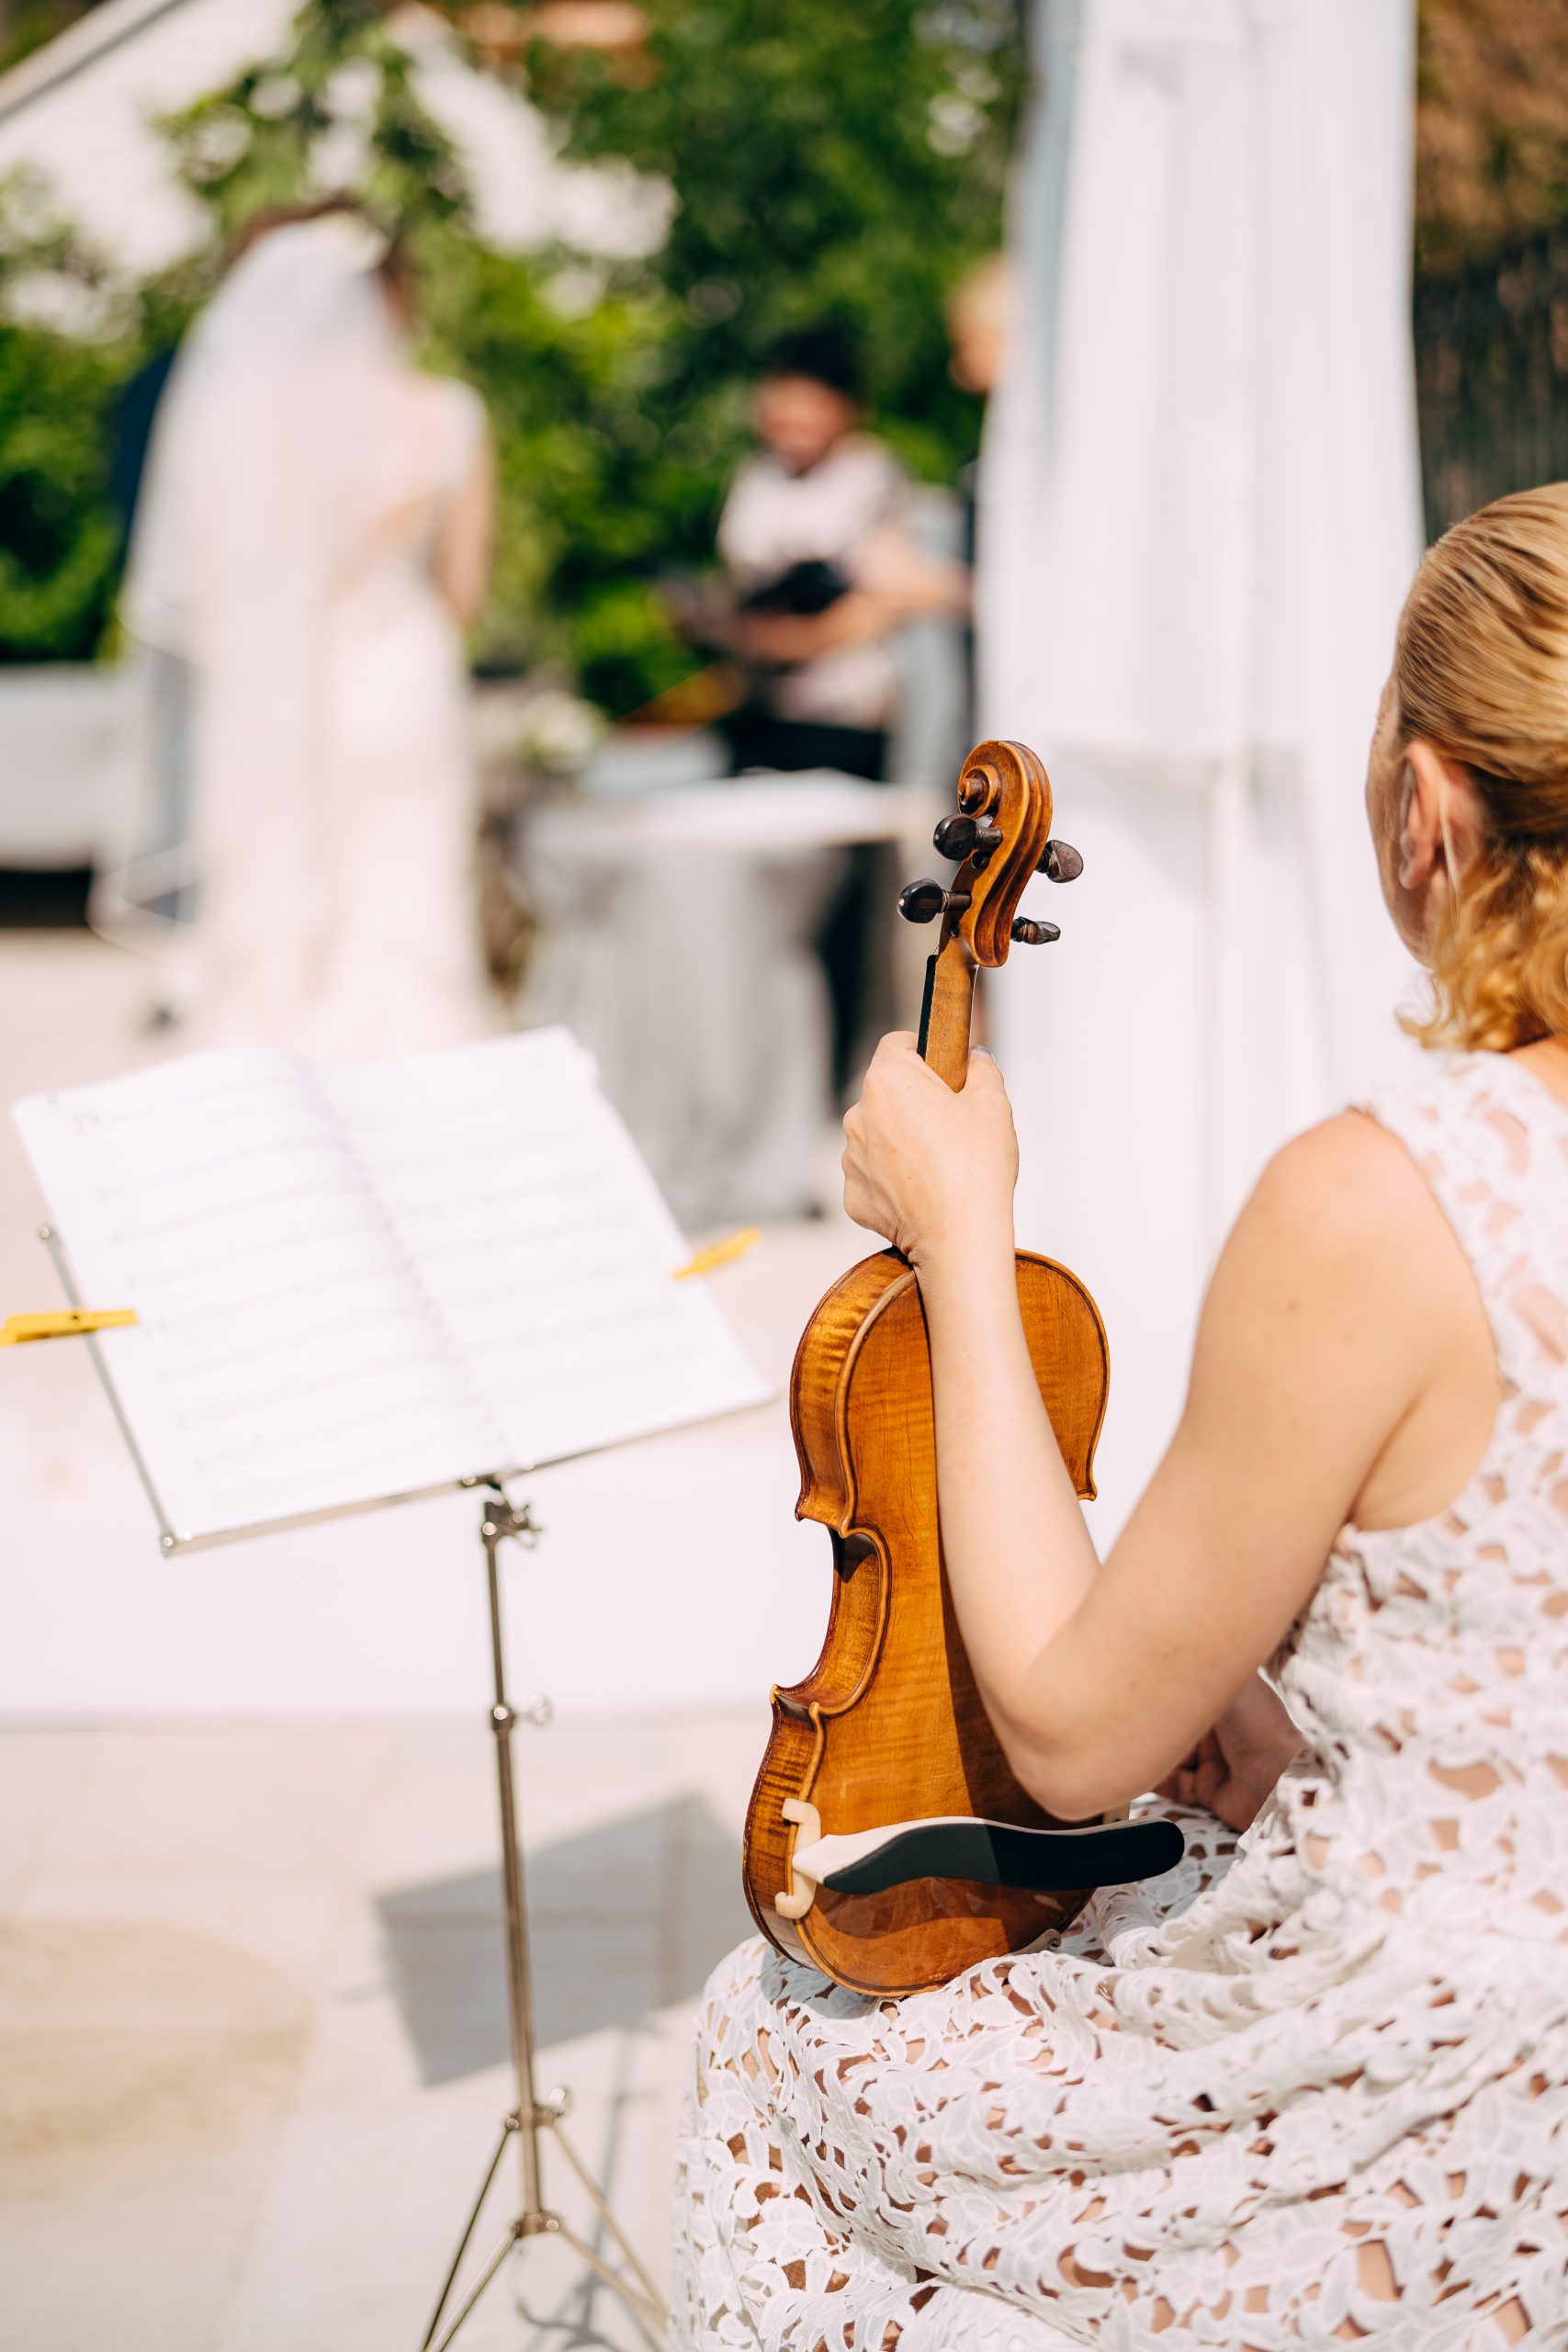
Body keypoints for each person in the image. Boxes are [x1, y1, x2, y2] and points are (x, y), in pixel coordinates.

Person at [672, 485, 1568, 2343]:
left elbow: (1075, 1738)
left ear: (1430, 809)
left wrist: (963, 1233)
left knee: (773, 2050)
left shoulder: (1395, 1196)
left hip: (1460, 2067)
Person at [117, 205, 496, 1057]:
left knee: (291, 861)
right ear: (394, 296)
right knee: (409, 871)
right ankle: (418, 1054)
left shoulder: (250, 427)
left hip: (288, 683)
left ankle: (290, 1045)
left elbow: (207, 576)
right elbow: (462, 589)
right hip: (403, 671)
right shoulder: (447, 413)